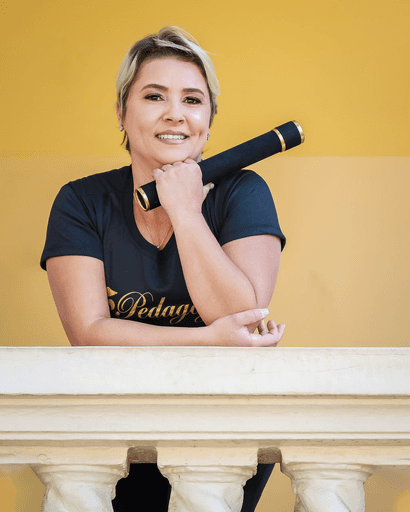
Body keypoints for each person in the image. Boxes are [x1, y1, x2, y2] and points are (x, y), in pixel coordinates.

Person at [40, 26, 286, 512]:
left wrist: (185, 212)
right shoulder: (81, 202)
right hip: (115, 427)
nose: (175, 113)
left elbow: (238, 313)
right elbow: (89, 332)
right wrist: (208, 340)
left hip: (219, 427)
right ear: (122, 112)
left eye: (192, 100)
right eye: (155, 96)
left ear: (208, 120)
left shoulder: (244, 193)